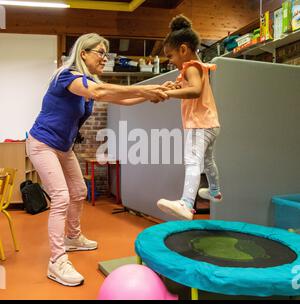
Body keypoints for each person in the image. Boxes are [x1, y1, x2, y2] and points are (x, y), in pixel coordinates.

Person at [26, 33, 168, 287]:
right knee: (61, 196)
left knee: (79, 191)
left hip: (63, 147)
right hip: (42, 144)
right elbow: (101, 91)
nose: (105, 57)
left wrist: (151, 94)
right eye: (100, 52)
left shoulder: (89, 85)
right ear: (84, 53)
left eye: (106, 53)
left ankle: (73, 237)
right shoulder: (66, 76)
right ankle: (56, 261)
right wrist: (146, 88)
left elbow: (122, 98)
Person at [157, 15, 222, 220]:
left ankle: (186, 204)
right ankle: (214, 191)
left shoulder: (190, 67)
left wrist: (168, 94)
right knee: (208, 160)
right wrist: (173, 87)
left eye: (171, 56)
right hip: (211, 124)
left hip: (199, 124)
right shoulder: (197, 66)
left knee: (192, 161)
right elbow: (188, 87)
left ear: (183, 50)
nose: (171, 61)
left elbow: (194, 91)